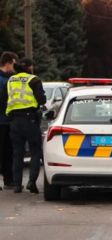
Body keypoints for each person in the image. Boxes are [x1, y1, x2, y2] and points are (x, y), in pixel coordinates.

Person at [6, 58, 46, 193]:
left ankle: (17, 184)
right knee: (35, 151)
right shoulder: (34, 80)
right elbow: (42, 100)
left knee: (17, 153)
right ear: (29, 67)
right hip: (30, 120)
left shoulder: (11, 80)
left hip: (14, 121)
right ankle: (31, 182)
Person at [0, 52, 18, 191]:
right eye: (13, 63)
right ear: (8, 63)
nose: (14, 66)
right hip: (1, 120)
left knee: (9, 151)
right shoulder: (2, 79)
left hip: (9, 120)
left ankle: (9, 179)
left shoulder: (11, 79)